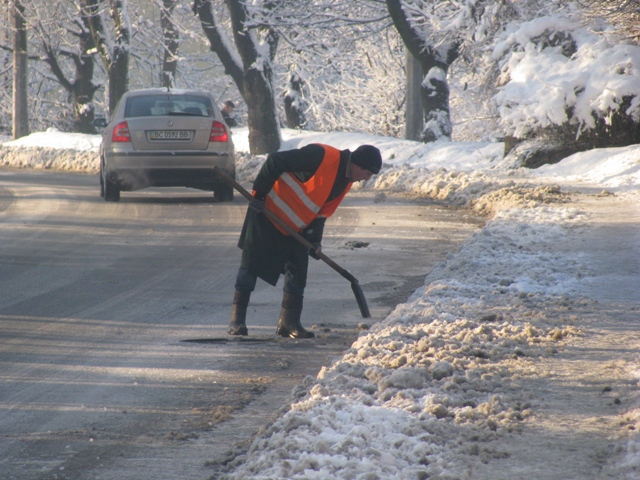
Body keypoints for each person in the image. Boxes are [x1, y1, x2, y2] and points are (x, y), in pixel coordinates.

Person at [228, 143, 382, 339]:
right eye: (367, 174)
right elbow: (275, 160)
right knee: (251, 266)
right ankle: (237, 320)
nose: (366, 179)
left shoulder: (345, 181)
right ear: (359, 166)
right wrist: (259, 193)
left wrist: (314, 240)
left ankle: (289, 323)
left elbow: (321, 213)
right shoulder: (321, 156)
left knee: (298, 271)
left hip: (296, 227)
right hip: (267, 213)